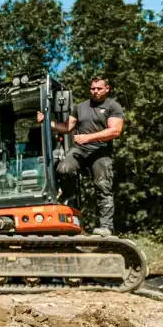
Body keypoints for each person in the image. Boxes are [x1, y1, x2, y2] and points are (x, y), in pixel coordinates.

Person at [37, 75, 125, 235]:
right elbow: (66, 127)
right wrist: (46, 121)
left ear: (107, 89)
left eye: (99, 88)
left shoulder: (113, 106)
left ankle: (105, 227)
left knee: (102, 186)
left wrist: (87, 137)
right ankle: (71, 205)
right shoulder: (80, 107)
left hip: (101, 151)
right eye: (93, 88)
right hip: (81, 150)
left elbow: (115, 130)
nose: (95, 91)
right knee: (63, 169)